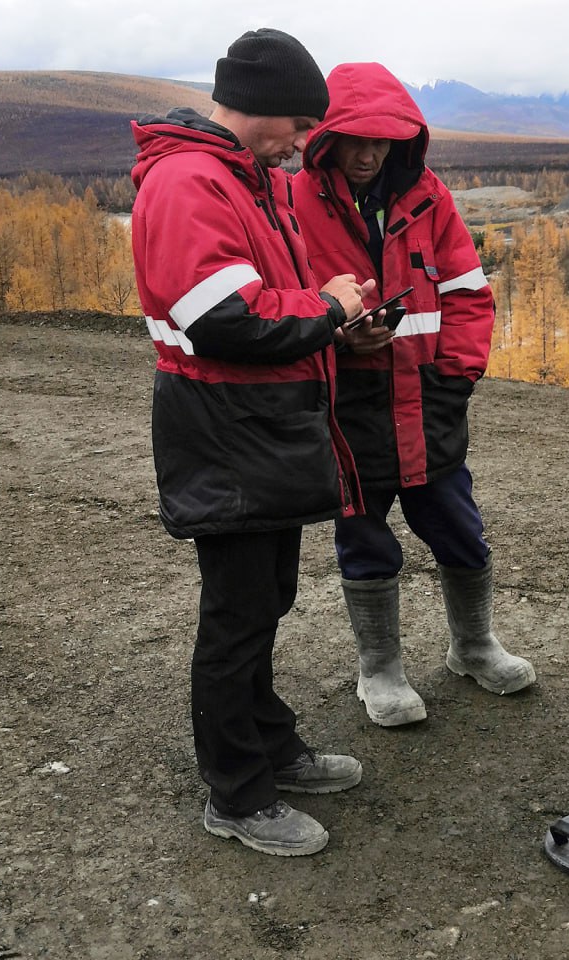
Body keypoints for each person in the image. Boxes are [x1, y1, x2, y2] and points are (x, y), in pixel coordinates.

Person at [130, 28, 376, 856]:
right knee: (236, 614)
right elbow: (224, 317)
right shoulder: (188, 181)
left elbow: (266, 299)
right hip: (225, 432)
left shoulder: (245, 177)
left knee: (265, 598)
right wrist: (331, 308)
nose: (306, 143)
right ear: (262, 110)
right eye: (300, 125)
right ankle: (236, 793)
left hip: (258, 428)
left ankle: (270, 743)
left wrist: (333, 327)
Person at [291, 62, 535, 727]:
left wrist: (453, 381)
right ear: (327, 138)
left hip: (428, 401)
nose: (369, 153)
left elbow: (467, 297)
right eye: (355, 138)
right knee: (365, 540)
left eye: (384, 140)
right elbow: (285, 310)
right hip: (348, 408)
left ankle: (474, 646)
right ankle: (381, 669)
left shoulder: (432, 199)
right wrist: (336, 341)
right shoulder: (294, 205)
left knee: (461, 530)